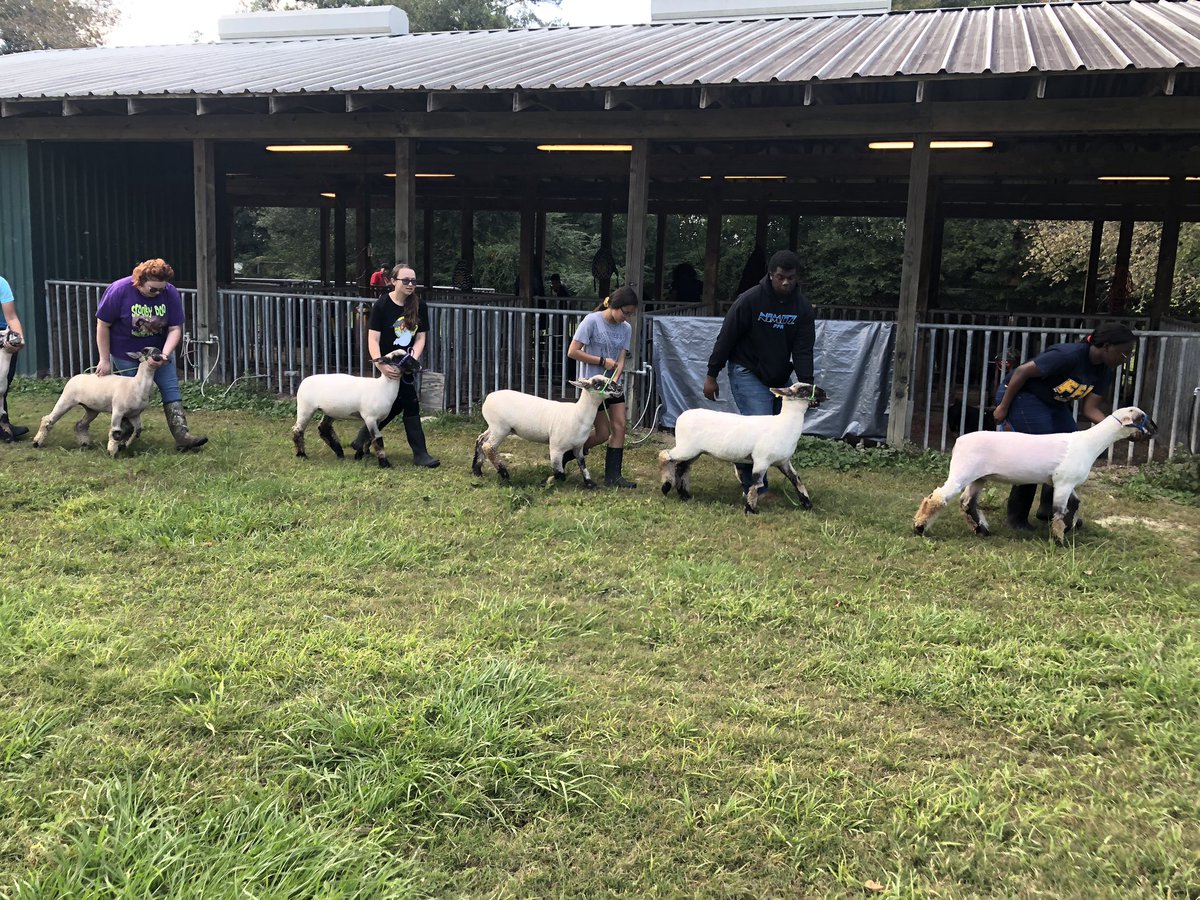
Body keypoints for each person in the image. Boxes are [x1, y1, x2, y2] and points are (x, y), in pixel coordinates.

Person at [992, 322, 1137, 530]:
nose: (1126, 359)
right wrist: (1003, 407)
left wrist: (1122, 429)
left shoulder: (1104, 371)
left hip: (1053, 403)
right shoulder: (1068, 355)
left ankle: (1049, 510)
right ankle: (1017, 518)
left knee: (1071, 449)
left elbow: (1090, 410)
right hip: (1022, 395)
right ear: (1106, 346)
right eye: (1124, 354)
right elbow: (1021, 372)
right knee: (1039, 453)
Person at [703, 249, 816, 497]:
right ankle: (754, 488)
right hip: (747, 369)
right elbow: (726, 337)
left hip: (778, 374)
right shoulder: (750, 300)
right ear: (771, 275)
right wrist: (712, 374)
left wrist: (808, 388)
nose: (786, 282)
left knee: (781, 427)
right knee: (758, 424)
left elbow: (804, 351)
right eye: (780, 277)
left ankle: (741, 459)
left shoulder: (803, 308)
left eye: (791, 277)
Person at [95, 259, 207, 451]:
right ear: (139, 281)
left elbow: (174, 328)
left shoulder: (170, 292)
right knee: (128, 396)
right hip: (126, 352)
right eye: (152, 289)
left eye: (161, 290)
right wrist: (104, 359)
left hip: (158, 351)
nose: (157, 293)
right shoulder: (119, 290)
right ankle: (121, 439)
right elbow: (103, 325)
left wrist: (164, 354)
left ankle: (182, 436)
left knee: (170, 388)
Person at [351, 263, 439, 468]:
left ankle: (419, 453)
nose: (410, 284)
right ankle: (365, 439)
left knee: (407, 401)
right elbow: (373, 339)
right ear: (393, 281)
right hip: (387, 363)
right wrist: (380, 364)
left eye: (414, 281)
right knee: (393, 403)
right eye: (405, 280)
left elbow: (420, 338)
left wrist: (411, 361)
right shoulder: (382, 305)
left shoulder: (420, 306)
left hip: (405, 364)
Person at [566, 285, 639, 488]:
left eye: (631, 314)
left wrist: (615, 378)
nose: (627, 318)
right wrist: (600, 360)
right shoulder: (592, 321)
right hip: (594, 386)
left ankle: (613, 475)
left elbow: (621, 358)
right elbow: (572, 351)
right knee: (602, 434)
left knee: (620, 426)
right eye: (625, 313)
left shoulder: (626, 328)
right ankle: (569, 452)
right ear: (614, 305)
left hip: (613, 385)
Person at [0, 274, 30, 441]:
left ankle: (4, 425)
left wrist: (19, 340)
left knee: (3, 385)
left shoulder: (1, 283)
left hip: (3, 339)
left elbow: (11, 317)